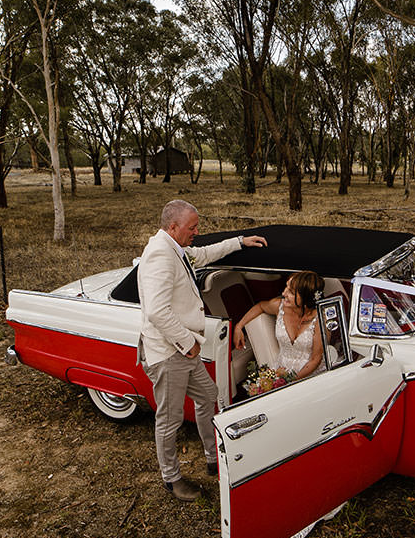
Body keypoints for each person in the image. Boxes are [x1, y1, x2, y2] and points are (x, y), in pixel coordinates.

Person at [138, 200, 267, 501]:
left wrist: (240, 242)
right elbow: (157, 312)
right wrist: (188, 343)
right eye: (192, 227)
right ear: (172, 227)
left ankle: (213, 457)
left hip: (184, 350)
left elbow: (204, 253)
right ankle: (171, 479)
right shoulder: (159, 255)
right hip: (169, 354)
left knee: (209, 396)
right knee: (168, 421)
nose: (197, 231)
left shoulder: (175, 248)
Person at [234, 270, 325, 380]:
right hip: (281, 372)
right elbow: (260, 306)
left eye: (291, 292)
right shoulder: (279, 306)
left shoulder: (319, 319)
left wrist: (291, 382)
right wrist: (239, 326)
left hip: (311, 375)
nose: (283, 293)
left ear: (306, 298)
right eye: (286, 287)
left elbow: (316, 359)